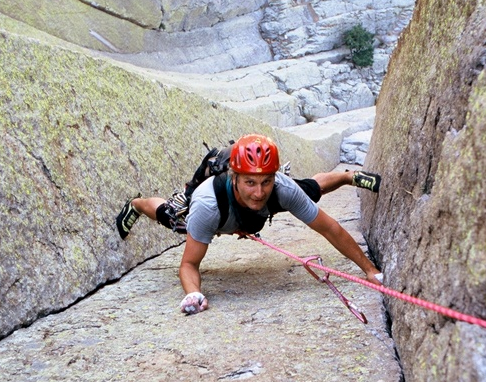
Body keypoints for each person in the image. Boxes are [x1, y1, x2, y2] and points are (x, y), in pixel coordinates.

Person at [116, 134, 383, 314]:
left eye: (266, 181)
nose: (259, 192)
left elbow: (330, 228)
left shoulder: (280, 188)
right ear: (235, 177)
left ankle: (349, 176)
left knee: (309, 189)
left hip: (250, 203)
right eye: (250, 183)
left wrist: (370, 270)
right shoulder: (207, 205)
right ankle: (138, 204)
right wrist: (193, 294)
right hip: (214, 201)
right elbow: (189, 264)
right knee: (171, 216)